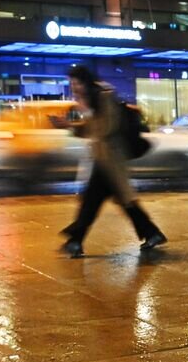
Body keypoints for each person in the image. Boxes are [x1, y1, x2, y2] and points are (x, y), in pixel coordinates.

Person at [59, 66, 166, 258]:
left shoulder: (104, 96)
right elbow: (93, 130)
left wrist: (76, 123)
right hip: (102, 159)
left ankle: (75, 241)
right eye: (71, 83)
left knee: (92, 202)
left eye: (76, 83)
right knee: (120, 202)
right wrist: (71, 125)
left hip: (110, 160)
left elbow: (106, 128)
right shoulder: (90, 99)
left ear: (85, 81)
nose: (73, 88)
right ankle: (152, 233)